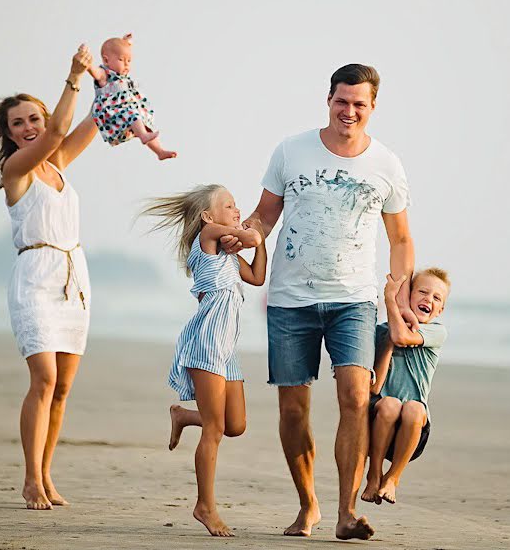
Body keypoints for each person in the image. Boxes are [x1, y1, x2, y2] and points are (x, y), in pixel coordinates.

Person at [221, 64, 416, 540]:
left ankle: (347, 513)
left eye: (359, 104)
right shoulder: (291, 150)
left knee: (354, 397)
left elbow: (401, 237)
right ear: (328, 100)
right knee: (293, 409)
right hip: (290, 299)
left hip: (354, 297)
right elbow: (265, 217)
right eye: (341, 101)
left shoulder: (386, 164)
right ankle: (309, 505)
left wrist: (399, 294)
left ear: (372, 107)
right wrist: (240, 237)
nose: (349, 111)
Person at [0, 45, 97, 510]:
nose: (28, 127)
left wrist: (111, 76)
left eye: (34, 118)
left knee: (64, 387)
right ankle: (31, 479)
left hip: (74, 277)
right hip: (34, 276)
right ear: (8, 135)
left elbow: (98, 120)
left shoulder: (57, 164)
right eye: (18, 123)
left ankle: (48, 476)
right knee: (44, 379)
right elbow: (57, 131)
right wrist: (73, 74)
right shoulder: (16, 171)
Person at [141, 184, 266, 537]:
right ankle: (205, 507)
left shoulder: (228, 254)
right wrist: (250, 234)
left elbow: (257, 277)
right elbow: (248, 236)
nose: (236, 209)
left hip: (227, 350)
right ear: (208, 216)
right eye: (229, 205)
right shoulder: (207, 238)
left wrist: (259, 241)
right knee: (215, 429)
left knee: (235, 424)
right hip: (207, 343)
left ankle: (182, 415)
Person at [361, 268, 449, 505]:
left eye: (436, 298)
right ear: (407, 296)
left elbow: (403, 337)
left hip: (412, 431)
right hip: (378, 422)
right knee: (389, 403)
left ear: (440, 310)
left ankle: (393, 478)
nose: (428, 299)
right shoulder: (381, 332)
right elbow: (376, 386)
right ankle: (374, 472)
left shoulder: (435, 332)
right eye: (422, 292)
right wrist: (388, 341)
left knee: (414, 408)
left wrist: (389, 300)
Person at [87, 33, 177, 160]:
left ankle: (160, 151)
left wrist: (126, 43)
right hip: (113, 111)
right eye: (121, 60)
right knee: (133, 116)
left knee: (143, 123)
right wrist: (87, 62)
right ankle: (143, 136)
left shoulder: (121, 74)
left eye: (129, 61)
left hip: (129, 108)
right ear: (106, 60)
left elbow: (123, 51)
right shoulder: (104, 74)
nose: (126, 64)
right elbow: (94, 72)